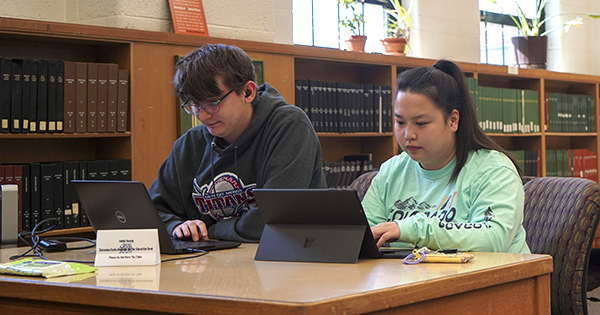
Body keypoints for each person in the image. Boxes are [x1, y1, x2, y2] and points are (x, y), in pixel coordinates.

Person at [148, 43, 326, 243]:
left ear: (248, 92)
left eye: (213, 103)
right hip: (211, 264)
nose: (203, 116)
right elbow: (152, 211)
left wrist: (211, 231)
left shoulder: (289, 126)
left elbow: (273, 220)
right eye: (195, 105)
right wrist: (177, 227)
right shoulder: (190, 144)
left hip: (288, 259)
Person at [362, 59, 530, 253]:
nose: (408, 134)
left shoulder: (494, 170)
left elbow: (492, 240)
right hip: (414, 278)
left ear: (453, 120)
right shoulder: (391, 171)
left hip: (491, 280)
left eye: (421, 123)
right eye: (400, 122)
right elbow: (363, 236)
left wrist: (411, 229)